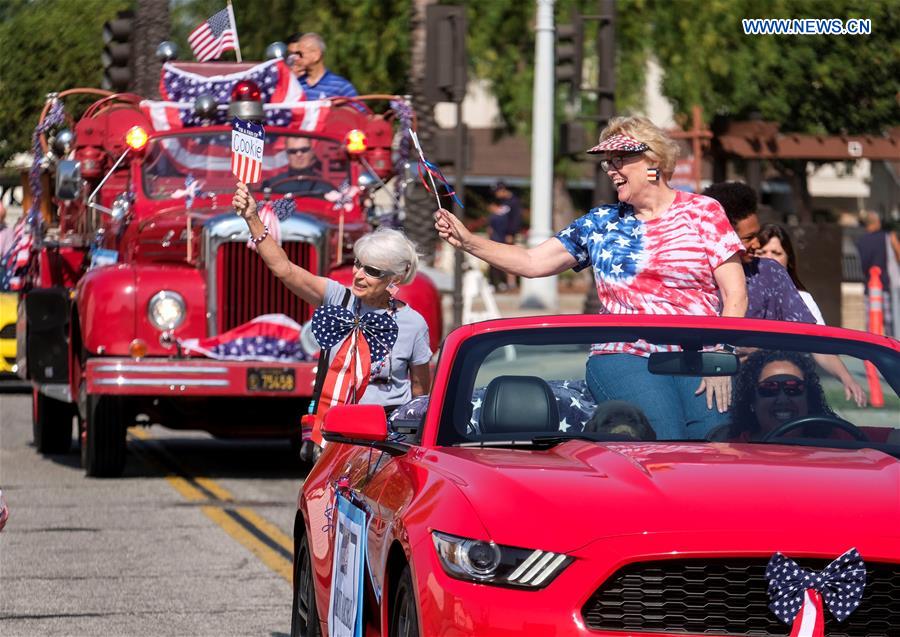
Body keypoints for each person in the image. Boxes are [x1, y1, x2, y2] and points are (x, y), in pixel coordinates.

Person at [435, 116, 748, 439]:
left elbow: (735, 295)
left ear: (653, 160)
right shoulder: (601, 222)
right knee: (665, 436)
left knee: (713, 439)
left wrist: (720, 357)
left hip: (700, 352)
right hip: (625, 352)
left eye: (621, 159)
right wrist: (468, 241)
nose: (612, 169)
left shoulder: (704, 212)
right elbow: (531, 262)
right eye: (608, 163)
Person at [232, 182, 432, 413]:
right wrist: (252, 218)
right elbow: (284, 269)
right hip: (335, 423)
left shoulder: (414, 324)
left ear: (394, 279)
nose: (358, 275)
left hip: (385, 432)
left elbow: (420, 394)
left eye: (372, 271)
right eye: (358, 264)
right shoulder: (338, 297)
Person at [703, 182, 865, 405]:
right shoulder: (695, 279)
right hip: (707, 391)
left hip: (766, 396)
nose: (758, 243)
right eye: (749, 238)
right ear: (723, 236)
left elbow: (808, 337)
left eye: (757, 234)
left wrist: (846, 377)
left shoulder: (770, 272)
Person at [729, 350, 836, 441]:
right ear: (752, 401)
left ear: (809, 398)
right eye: (769, 388)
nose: (782, 399)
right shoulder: (731, 452)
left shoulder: (838, 442)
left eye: (793, 388)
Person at [756, 223, 825, 324]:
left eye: (776, 253)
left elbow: (819, 336)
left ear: (789, 260)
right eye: (761, 253)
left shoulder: (803, 299)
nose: (768, 259)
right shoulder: (740, 295)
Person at [856, 211, 900, 337]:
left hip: (869, 287)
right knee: (890, 324)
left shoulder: (861, 241)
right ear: (878, 223)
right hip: (886, 286)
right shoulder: (887, 237)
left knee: (871, 324)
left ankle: (871, 352)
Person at [290, 33, 358, 100]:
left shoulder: (341, 87)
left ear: (316, 55)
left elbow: (358, 110)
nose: (296, 58)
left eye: (300, 54)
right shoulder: (296, 86)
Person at [486, 182, 522, 291]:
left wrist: (511, 233)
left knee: (509, 259)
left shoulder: (514, 202)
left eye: (497, 192)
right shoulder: (499, 202)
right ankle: (496, 282)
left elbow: (516, 219)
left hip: (507, 235)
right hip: (497, 235)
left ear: (503, 190)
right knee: (495, 259)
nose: (495, 195)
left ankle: (510, 283)